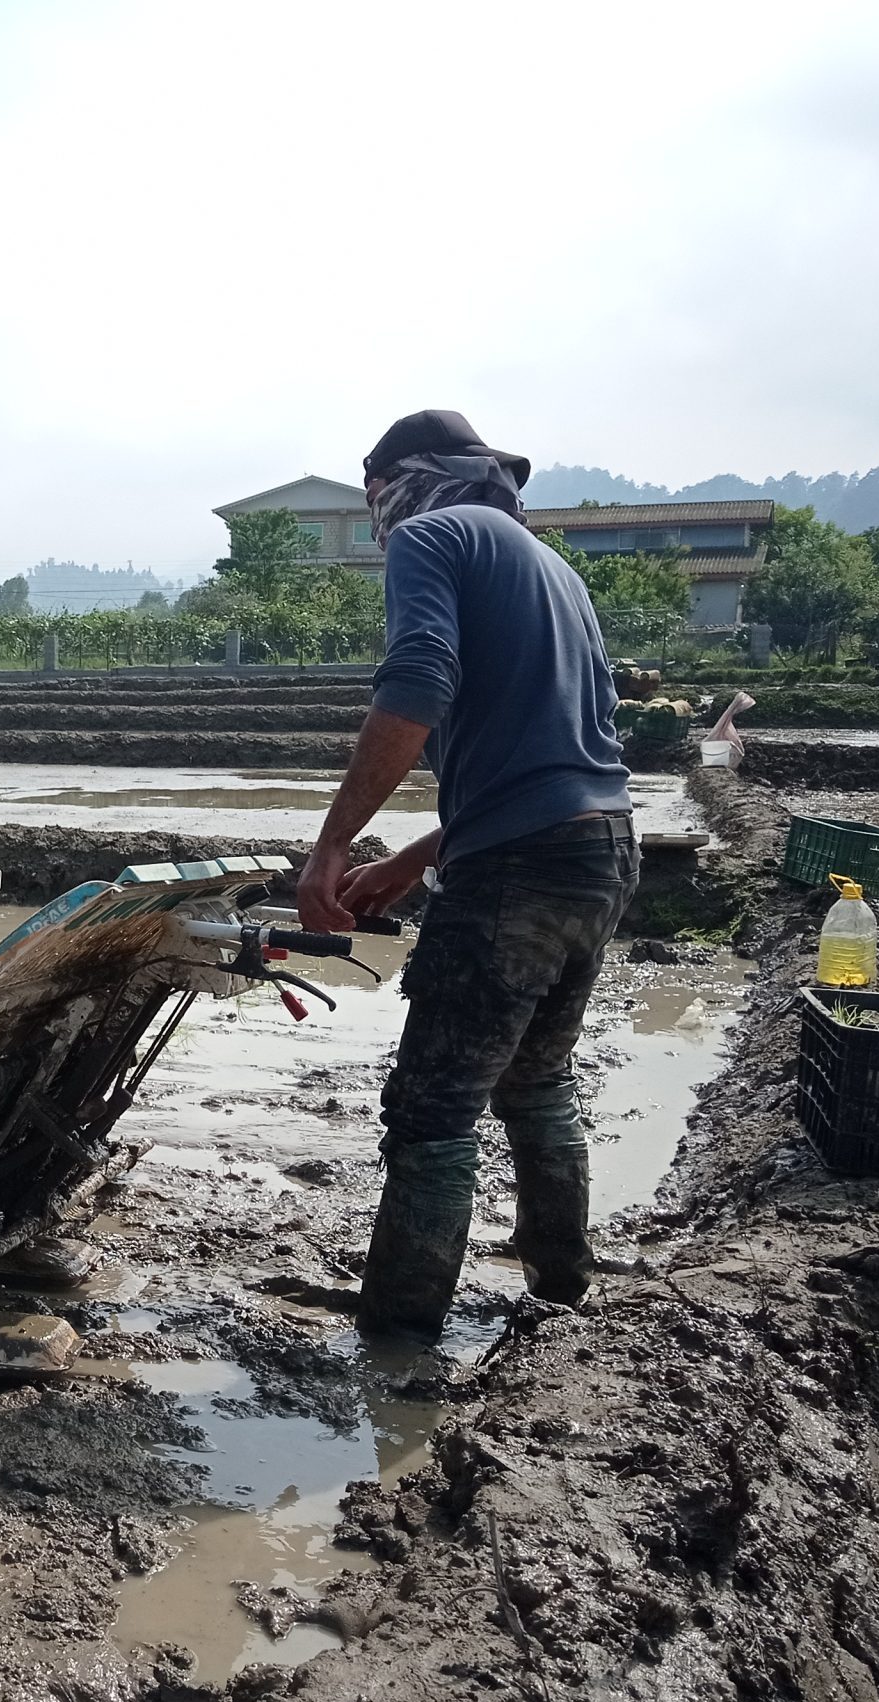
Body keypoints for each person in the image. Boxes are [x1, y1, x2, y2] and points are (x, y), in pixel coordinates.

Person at [295, 410, 636, 1339]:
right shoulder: (552, 568)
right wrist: (413, 855)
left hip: (519, 871)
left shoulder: (434, 536)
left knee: (433, 1105)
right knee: (536, 1077)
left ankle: (400, 1339)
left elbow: (418, 679)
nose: (380, 526)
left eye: (377, 504)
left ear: (409, 482)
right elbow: (564, 757)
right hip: (600, 851)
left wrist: (333, 845)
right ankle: (562, 1285)